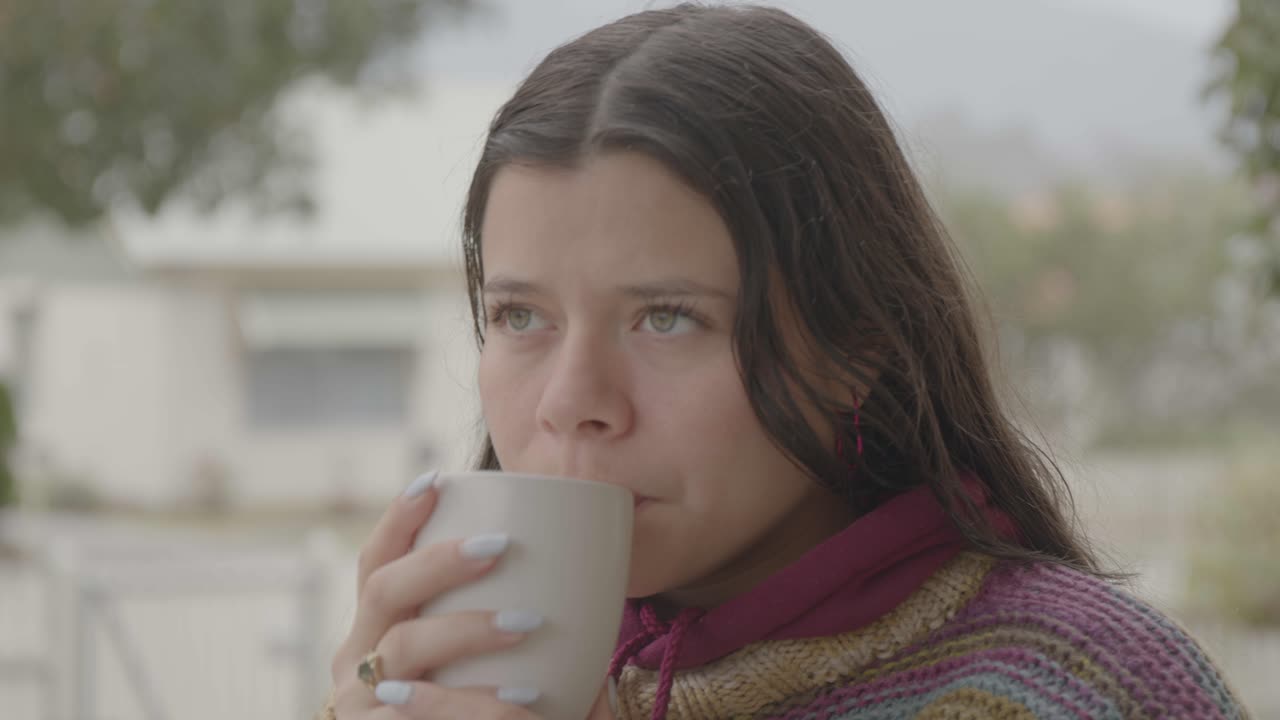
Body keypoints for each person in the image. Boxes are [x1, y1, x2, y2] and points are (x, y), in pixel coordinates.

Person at [318, 4, 1249, 719]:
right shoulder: (471, 688)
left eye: (667, 318)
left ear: (855, 348)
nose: (571, 404)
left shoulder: (1078, 684)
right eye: (521, 315)